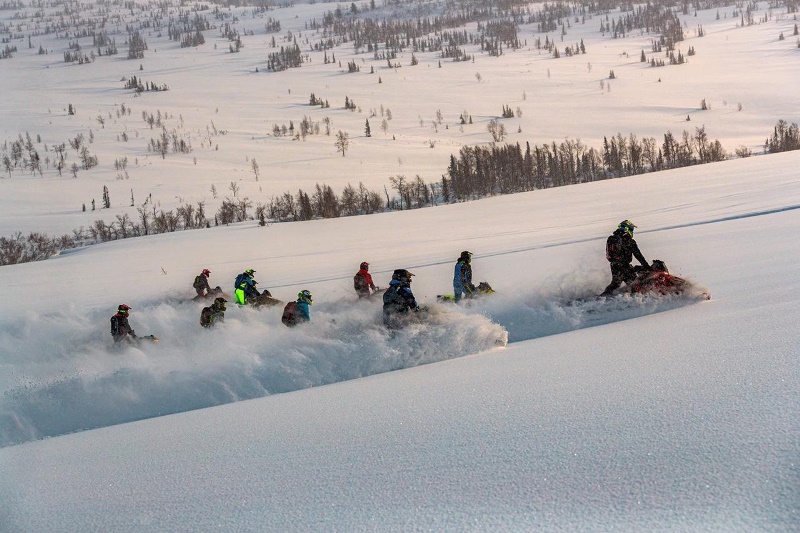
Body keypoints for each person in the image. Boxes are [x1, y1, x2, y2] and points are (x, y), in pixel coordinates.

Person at [601, 220, 650, 296]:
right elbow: (638, 255)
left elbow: (638, 254)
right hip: (620, 265)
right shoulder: (619, 239)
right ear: (626, 229)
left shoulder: (627, 240)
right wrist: (646, 265)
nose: (632, 231)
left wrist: (646, 266)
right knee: (630, 283)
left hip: (618, 265)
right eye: (631, 229)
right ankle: (604, 297)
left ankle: (607, 296)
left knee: (618, 284)